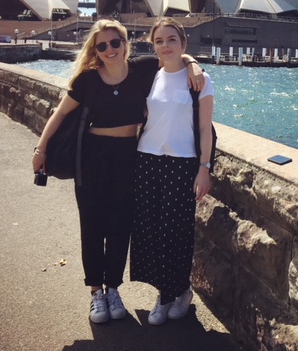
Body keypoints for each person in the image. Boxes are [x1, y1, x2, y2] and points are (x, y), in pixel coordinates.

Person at [32, 19, 203, 325]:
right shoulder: (87, 80)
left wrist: (193, 66)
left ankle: (114, 288)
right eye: (102, 46)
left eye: (115, 43)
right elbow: (59, 114)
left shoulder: (142, 70)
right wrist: (40, 149)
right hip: (92, 158)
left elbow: (175, 54)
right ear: (95, 50)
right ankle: (96, 292)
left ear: (126, 44)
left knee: (121, 226)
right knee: (93, 226)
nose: (110, 50)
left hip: (128, 157)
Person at [130, 17, 214, 326]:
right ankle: (170, 291)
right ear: (153, 46)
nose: (165, 46)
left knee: (175, 232)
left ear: (183, 43)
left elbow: (205, 129)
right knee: (150, 231)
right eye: (159, 41)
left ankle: (174, 292)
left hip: (182, 165)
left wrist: (204, 168)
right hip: (147, 161)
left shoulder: (200, 80)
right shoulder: (149, 74)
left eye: (172, 40)